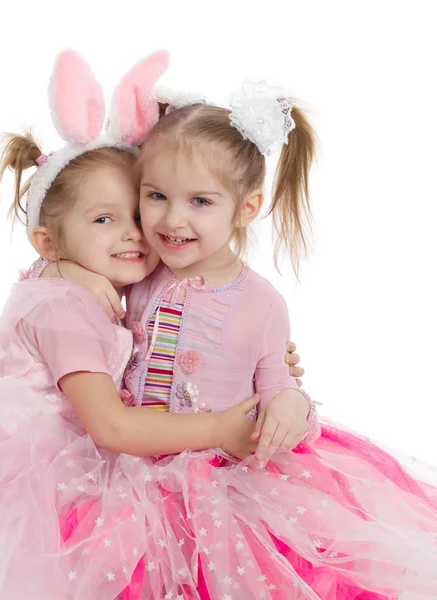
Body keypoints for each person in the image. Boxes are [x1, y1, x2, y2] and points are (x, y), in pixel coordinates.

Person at [0, 50, 304, 600]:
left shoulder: (137, 277)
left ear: (245, 208)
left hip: (177, 469)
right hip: (62, 464)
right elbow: (111, 424)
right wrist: (219, 429)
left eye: (139, 209)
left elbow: (264, 364)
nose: (147, 229)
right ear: (51, 240)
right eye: (143, 204)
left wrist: (288, 392)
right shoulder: (74, 301)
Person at [42, 80, 437, 598]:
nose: (172, 219)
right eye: (156, 196)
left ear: (245, 208)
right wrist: (73, 272)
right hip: (125, 472)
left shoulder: (260, 303)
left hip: (221, 482)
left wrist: (293, 406)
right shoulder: (138, 267)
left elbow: (278, 388)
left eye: (200, 202)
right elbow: (44, 270)